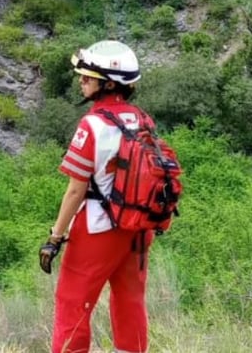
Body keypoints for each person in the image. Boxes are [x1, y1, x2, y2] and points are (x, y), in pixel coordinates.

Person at [39, 40, 155, 353]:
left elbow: (77, 188)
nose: (81, 81)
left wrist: (55, 236)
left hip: (97, 228)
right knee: (130, 300)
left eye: (87, 77)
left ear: (107, 84)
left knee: (73, 301)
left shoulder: (92, 124)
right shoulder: (143, 120)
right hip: (139, 228)